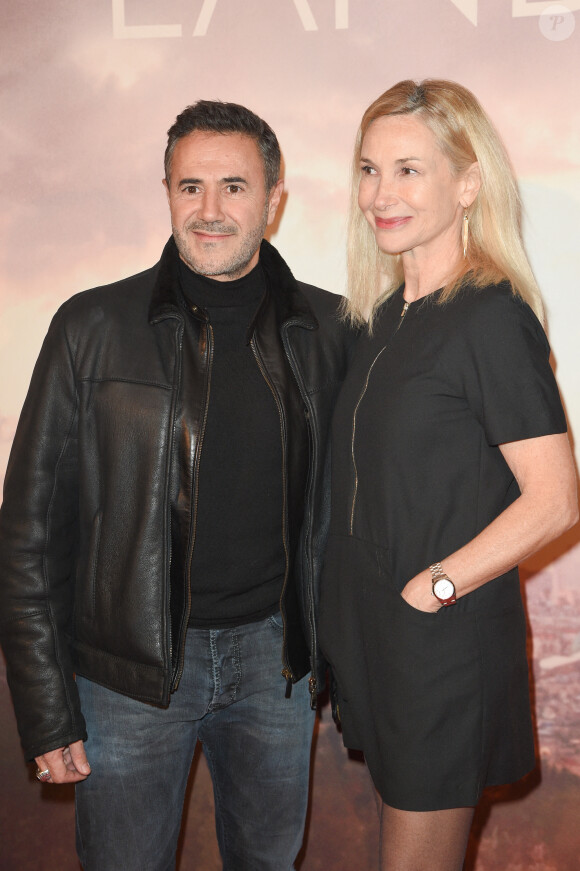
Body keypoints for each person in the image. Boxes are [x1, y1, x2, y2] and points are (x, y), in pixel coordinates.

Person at [0, 100, 352, 871]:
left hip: (275, 670)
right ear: (166, 191)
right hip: (126, 678)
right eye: (190, 186)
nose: (212, 209)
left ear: (274, 196)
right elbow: (26, 534)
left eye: (234, 185)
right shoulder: (89, 327)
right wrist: (46, 710)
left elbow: (350, 518)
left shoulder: (331, 332)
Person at [318, 79, 578, 871]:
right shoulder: (383, 318)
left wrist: (434, 586)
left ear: (468, 183)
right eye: (369, 170)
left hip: (439, 651)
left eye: (408, 170)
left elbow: (556, 497)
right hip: (379, 645)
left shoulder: (491, 315)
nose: (380, 194)